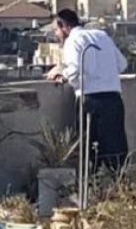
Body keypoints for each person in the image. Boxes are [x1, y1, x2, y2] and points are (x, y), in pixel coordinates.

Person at [46, 9, 129, 173]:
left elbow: (76, 69)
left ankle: (91, 186)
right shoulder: (102, 36)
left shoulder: (73, 41)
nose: (57, 34)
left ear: (64, 26)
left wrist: (62, 74)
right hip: (113, 99)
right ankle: (121, 186)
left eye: (56, 29)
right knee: (116, 147)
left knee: (89, 149)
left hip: (90, 100)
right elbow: (122, 64)